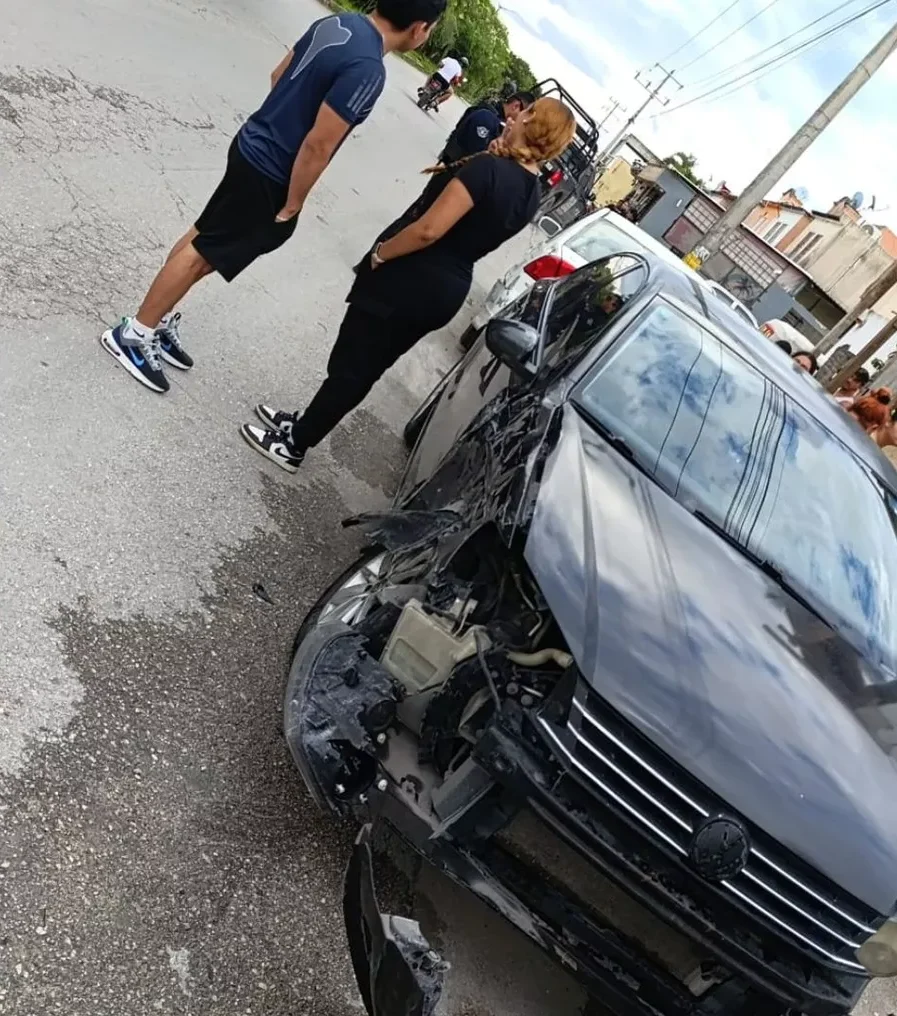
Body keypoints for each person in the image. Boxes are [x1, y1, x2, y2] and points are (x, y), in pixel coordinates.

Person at [100, 0, 446, 394]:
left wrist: (279, 121)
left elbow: (278, 74)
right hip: (272, 170)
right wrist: (293, 202)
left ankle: (156, 318)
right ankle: (135, 333)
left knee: (203, 235)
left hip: (251, 143)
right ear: (419, 28)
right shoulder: (368, 68)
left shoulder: (337, 22)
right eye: (431, 29)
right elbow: (318, 145)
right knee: (205, 252)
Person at [240, 96, 577, 471]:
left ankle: (296, 444)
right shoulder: (531, 194)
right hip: (445, 288)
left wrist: (382, 253)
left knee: (354, 362)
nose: (514, 116)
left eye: (525, 113)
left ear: (532, 122)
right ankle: (304, 425)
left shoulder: (488, 169)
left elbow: (429, 230)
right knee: (366, 363)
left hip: (414, 273)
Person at [440, 90, 536, 164]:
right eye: (525, 115)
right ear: (516, 106)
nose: (523, 121)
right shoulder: (487, 117)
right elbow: (475, 156)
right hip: (452, 173)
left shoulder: (498, 120)